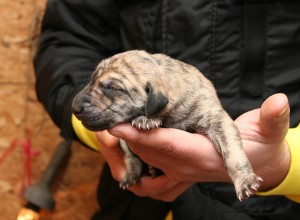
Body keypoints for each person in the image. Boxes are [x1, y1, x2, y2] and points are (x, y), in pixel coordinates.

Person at [34, 0, 300, 219]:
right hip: (134, 204)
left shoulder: (191, 96)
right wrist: (103, 133)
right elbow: (70, 38)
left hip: (271, 208)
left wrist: (288, 163)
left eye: (110, 90)